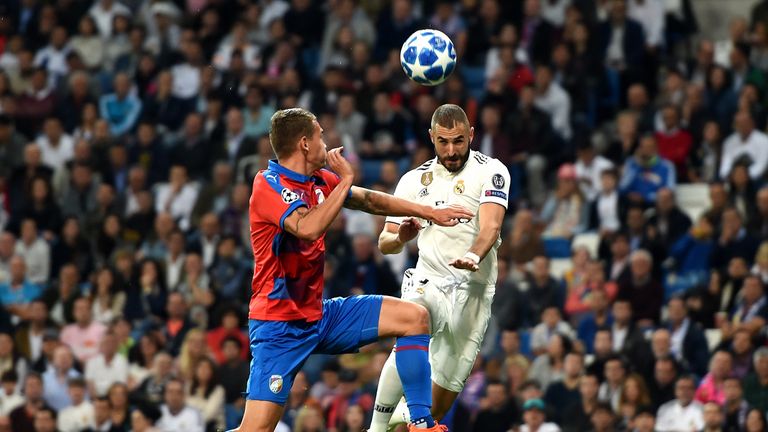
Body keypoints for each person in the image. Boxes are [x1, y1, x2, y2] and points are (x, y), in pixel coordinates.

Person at [232, 108, 473, 432]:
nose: (325, 141)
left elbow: (370, 201)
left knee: (414, 318)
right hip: (278, 327)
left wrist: (429, 211)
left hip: (319, 315)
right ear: (304, 143)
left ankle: (421, 423)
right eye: (320, 134)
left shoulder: (319, 181)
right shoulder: (268, 184)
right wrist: (345, 180)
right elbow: (307, 227)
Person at [369, 104, 509, 431]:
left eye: (459, 141)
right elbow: (384, 243)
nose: (451, 150)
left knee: (435, 410)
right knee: (409, 323)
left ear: (471, 135)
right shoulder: (412, 180)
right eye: (443, 142)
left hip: (473, 291)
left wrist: (473, 256)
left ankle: (402, 416)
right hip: (427, 280)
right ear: (431, 137)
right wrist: (401, 236)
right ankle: (375, 427)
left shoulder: (492, 171)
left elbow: (491, 228)